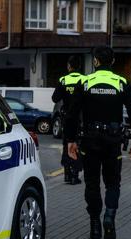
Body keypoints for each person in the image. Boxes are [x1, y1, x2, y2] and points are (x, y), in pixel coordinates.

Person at [64, 46, 131, 239]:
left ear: (96, 62)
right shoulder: (121, 82)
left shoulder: (85, 82)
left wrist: (70, 141)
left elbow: (71, 114)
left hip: (89, 142)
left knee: (92, 183)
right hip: (113, 142)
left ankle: (95, 225)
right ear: (112, 62)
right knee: (113, 183)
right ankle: (109, 216)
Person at [52, 55, 85, 185]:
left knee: (66, 145)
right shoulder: (85, 79)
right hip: (80, 119)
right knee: (77, 145)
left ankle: (67, 174)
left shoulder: (63, 80)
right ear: (80, 66)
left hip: (66, 118)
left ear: (69, 66)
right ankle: (75, 175)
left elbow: (55, 98)